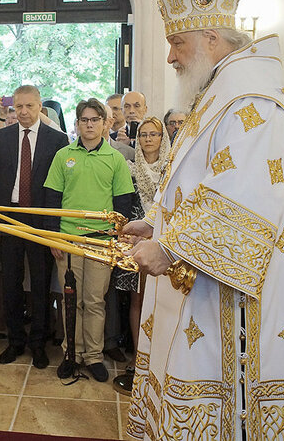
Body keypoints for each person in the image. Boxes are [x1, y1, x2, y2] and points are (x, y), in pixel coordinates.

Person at [124, 0, 284, 438]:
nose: (170, 56)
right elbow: (200, 183)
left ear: (211, 38)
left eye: (176, 42)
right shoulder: (219, 92)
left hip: (230, 293)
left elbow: (245, 198)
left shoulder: (250, 98)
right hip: (198, 279)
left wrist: (169, 247)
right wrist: (157, 222)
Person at [44, 98, 134, 382]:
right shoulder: (63, 156)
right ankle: (72, 353)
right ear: (77, 123)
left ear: (105, 123)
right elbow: (51, 199)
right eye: (85, 119)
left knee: (94, 301)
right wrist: (53, 237)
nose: (90, 124)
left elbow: (123, 204)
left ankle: (93, 356)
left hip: (101, 242)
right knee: (71, 301)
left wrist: (116, 239)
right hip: (69, 240)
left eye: (95, 119)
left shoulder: (115, 159)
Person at [0, 84, 69, 369]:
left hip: (41, 219)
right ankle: (15, 341)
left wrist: (54, 227)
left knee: (42, 284)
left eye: (29, 106)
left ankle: (38, 344)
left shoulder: (57, 139)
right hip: (9, 218)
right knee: (11, 283)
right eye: (17, 107)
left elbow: (60, 188)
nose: (22, 112)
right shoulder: (2, 137)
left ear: (39, 106)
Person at [112, 116, 170, 393]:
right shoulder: (130, 167)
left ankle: (161, 358)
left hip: (167, 245)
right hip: (137, 240)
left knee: (163, 304)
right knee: (138, 301)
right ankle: (139, 356)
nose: (148, 139)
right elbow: (127, 202)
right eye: (144, 134)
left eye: (154, 134)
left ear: (163, 138)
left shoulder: (173, 168)